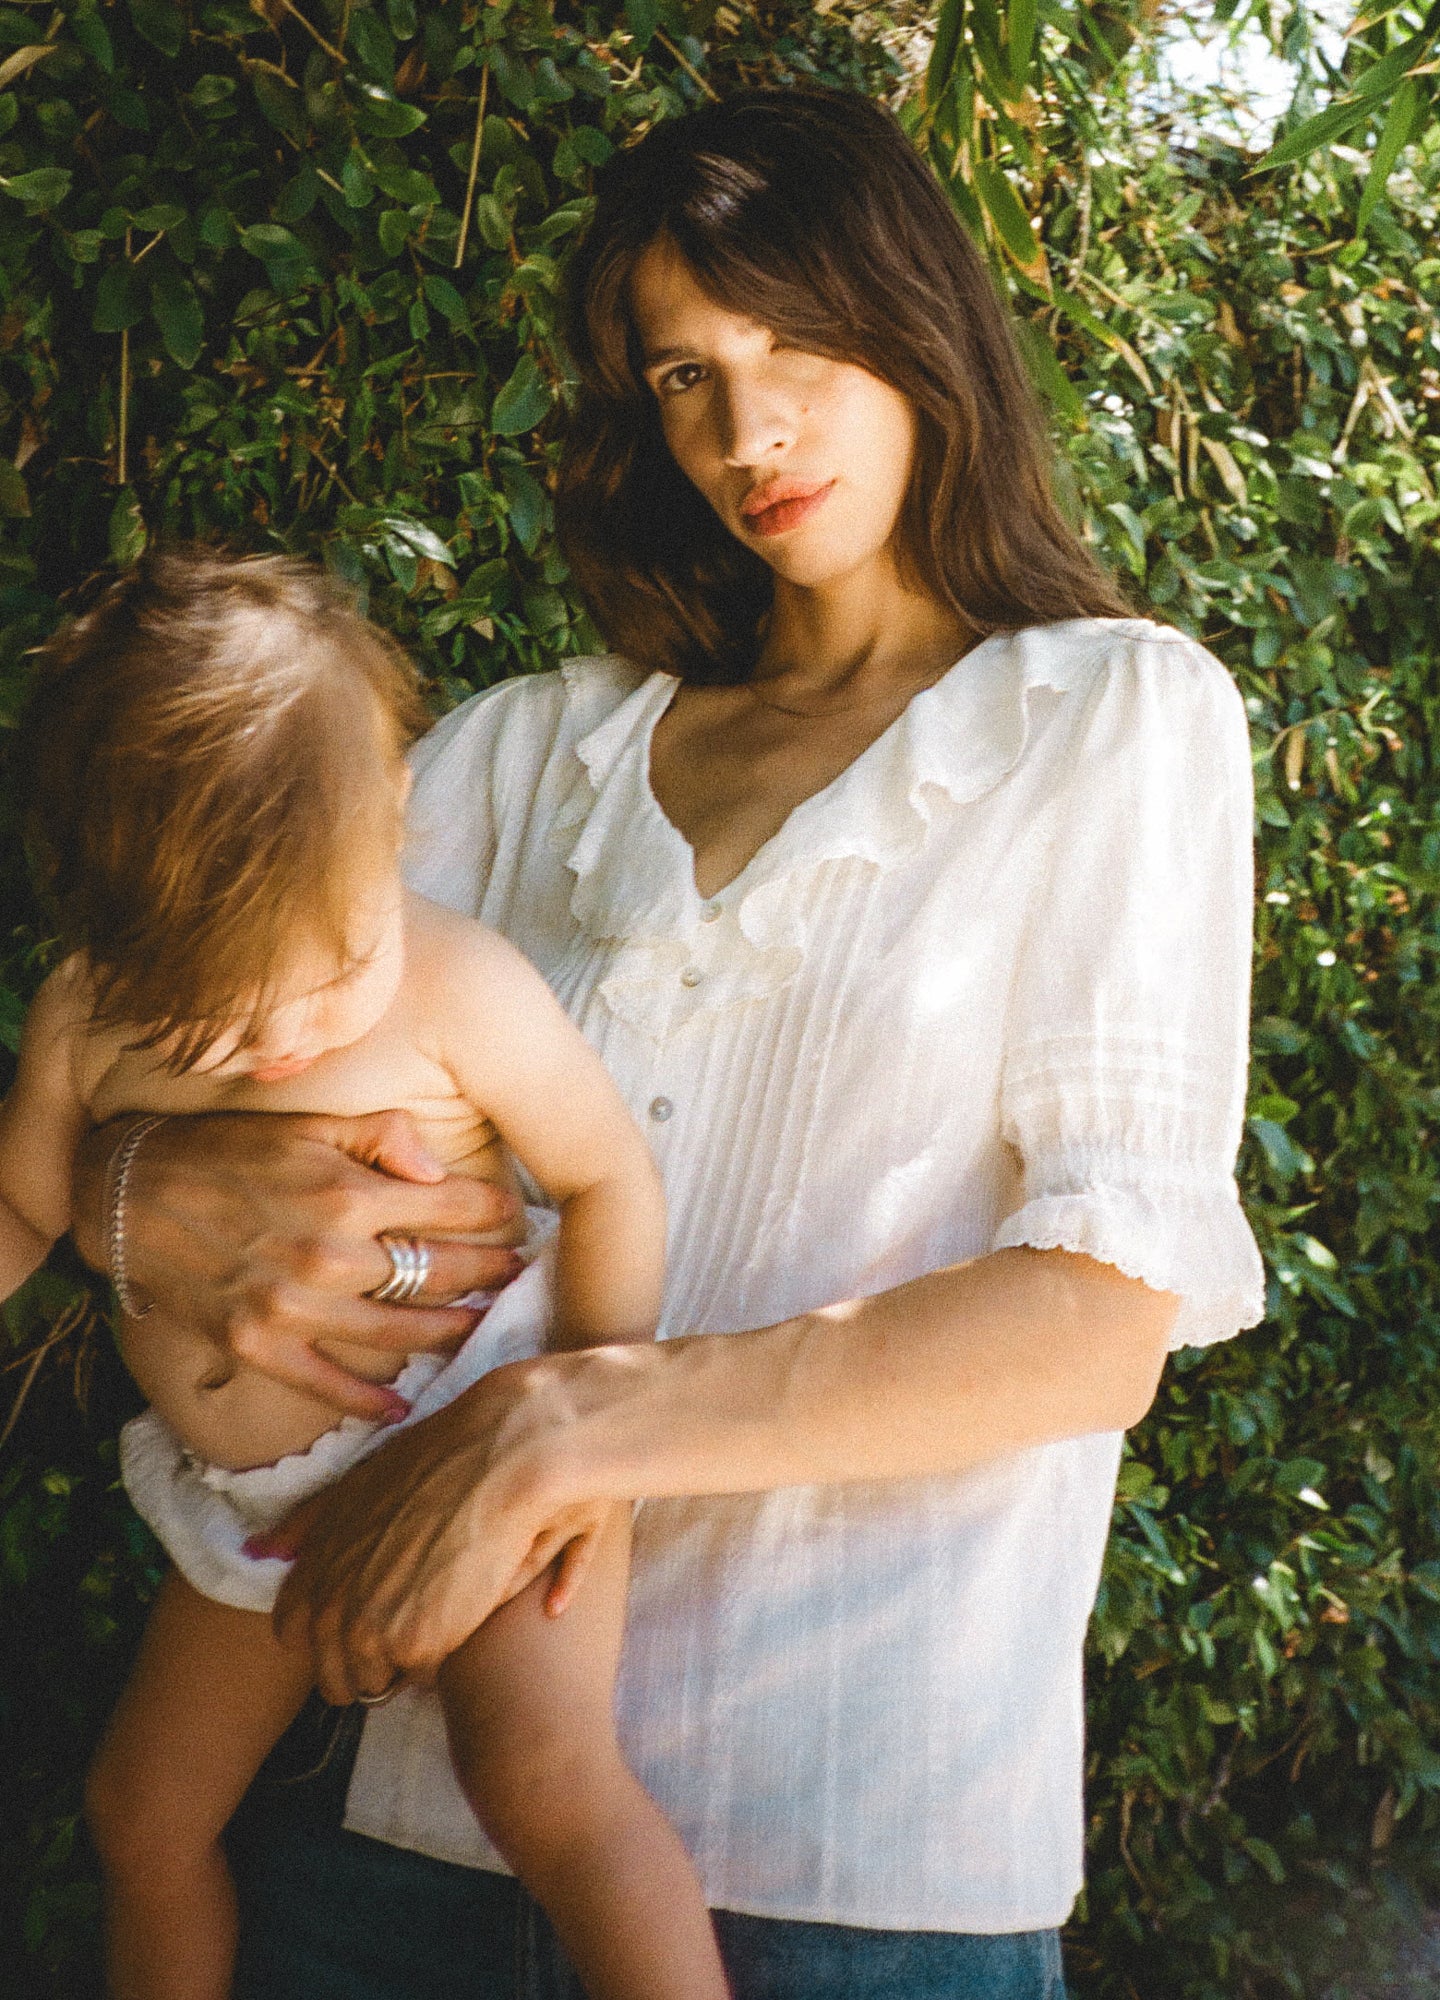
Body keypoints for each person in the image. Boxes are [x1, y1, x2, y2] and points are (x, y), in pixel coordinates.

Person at [63, 88, 1266, 2000]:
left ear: (922, 324)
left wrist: (554, 1431)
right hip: (395, 1822)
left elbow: (1097, 1321)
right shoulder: (527, 751)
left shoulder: (1109, 721)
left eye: (795, 347)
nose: (745, 430)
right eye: (684, 375)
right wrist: (135, 1187)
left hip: (860, 1861)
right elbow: (214, 1042)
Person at [0, 553, 730, 2000]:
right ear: (111, 935)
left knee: (540, 1777)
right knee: (141, 1817)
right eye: (209, 1016)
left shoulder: (456, 985)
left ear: (396, 819)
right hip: (250, 1524)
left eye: (329, 971)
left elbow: (605, 1179)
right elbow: (25, 1207)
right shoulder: (91, 1013)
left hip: (471, 1450)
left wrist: (586, 1443)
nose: (279, 1037)